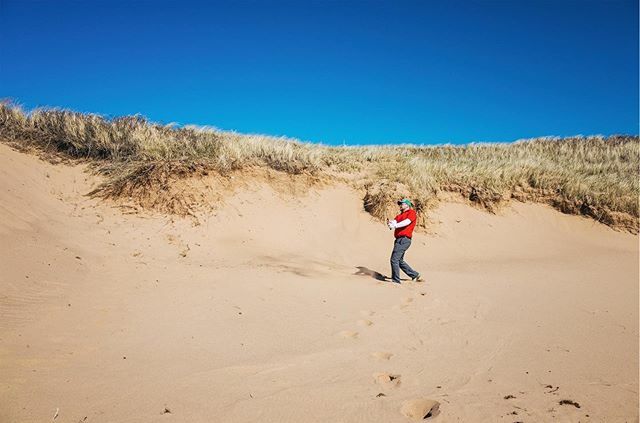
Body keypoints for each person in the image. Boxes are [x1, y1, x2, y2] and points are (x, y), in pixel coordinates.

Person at [387, 198, 421, 284]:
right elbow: (393, 224)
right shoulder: (399, 216)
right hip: (398, 239)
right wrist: (390, 224)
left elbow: (406, 222)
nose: (400, 205)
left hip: (404, 239)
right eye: (400, 204)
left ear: (407, 205)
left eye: (402, 204)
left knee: (394, 260)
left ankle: (396, 281)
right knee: (399, 260)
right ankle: (414, 275)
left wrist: (395, 225)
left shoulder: (412, 213)